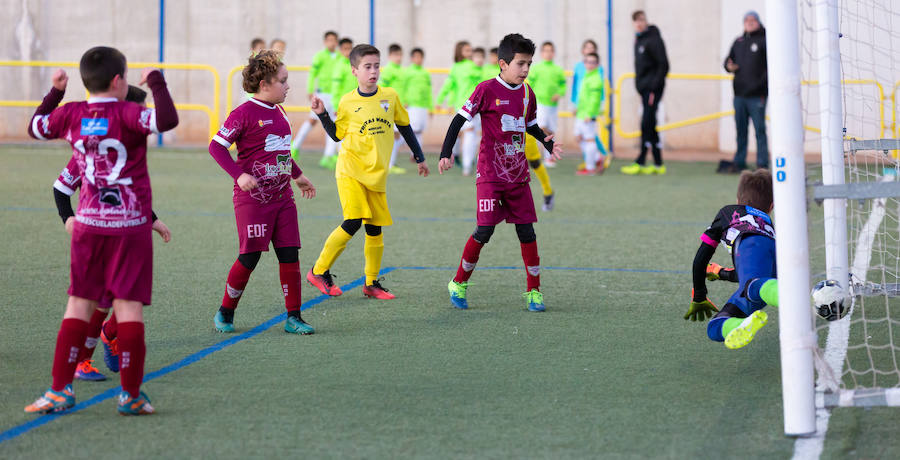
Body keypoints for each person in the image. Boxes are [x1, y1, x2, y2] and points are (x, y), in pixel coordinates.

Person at [25, 46, 178, 415]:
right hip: (129, 227)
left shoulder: (72, 114)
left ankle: (59, 389)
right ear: (118, 80)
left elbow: (34, 127)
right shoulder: (130, 113)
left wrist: (56, 93)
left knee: (78, 303)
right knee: (128, 308)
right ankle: (131, 395)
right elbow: (168, 120)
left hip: (89, 226)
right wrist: (156, 80)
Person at [51, 85, 172, 380]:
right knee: (99, 301)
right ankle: (82, 361)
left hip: (126, 233)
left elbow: (129, 191)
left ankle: (102, 344)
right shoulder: (91, 150)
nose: (143, 116)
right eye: (140, 111)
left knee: (119, 298)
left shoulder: (129, 148)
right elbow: (61, 188)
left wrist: (153, 221)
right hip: (98, 235)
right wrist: (68, 219)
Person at [440, 33, 562, 312]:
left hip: (518, 175)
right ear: (503, 63)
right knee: (484, 231)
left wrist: (548, 142)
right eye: (520, 64)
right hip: (491, 174)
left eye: (529, 64)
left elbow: (530, 126)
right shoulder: (485, 89)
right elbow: (459, 119)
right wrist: (446, 153)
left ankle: (534, 291)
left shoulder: (528, 93)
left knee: (527, 232)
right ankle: (458, 283)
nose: (526, 70)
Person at [307, 44, 430, 300]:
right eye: (367, 67)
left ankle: (371, 283)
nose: (373, 71)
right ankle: (318, 271)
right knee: (353, 221)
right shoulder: (348, 101)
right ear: (355, 71)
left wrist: (419, 157)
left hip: (377, 174)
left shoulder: (390, 96)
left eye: (376, 65)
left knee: (375, 228)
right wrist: (322, 114)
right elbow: (337, 135)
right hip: (350, 170)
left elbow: (404, 126)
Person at [208, 50, 317, 335]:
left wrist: (298, 175)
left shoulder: (279, 111)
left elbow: (279, 151)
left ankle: (294, 317)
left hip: (283, 198)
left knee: (290, 254)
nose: (288, 86)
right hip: (253, 200)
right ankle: (225, 311)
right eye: (283, 81)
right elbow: (216, 147)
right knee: (250, 257)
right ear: (265, 84)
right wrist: (239, 174)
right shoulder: (242, 113)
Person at [685, 169, 779, 350]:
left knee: (754, 285)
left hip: (753, 260)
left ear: (738, 199)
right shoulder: (767, 223)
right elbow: (751, 270)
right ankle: (739, 325)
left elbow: (701, 258)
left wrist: (699, 295)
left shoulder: (727, 212)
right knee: (715, 326)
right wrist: (721, 273)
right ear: (771, 206)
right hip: (772, 264)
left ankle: (796, 299)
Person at [621, 10, 669, 176]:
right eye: (636, 21)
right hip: (644, 90)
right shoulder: (639, 40)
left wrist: (653, 88)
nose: (639, 23)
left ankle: (641, 160)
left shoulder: (654, 40)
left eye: (641, 20)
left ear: (646, 21)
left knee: (646, 124)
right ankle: (658, 163)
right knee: (650, 124)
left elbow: (663, 65)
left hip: (652, 90)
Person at [723, 11, 768, 172]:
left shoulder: (765, 40)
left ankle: (762, 163)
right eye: (747, 20)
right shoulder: (738, 41)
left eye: (753, 20)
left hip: (757, 96)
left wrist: (759, 86)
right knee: (741, 130)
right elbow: (728, 61)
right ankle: (739, 161)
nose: (749, 22)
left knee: (759, 130)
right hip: (739, 95)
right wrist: (729, 66)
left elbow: (770, 69)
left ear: (758, 22)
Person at [291, 31, 340, 166]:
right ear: (325, 42)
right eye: (329, 40)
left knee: (333, 124)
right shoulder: (320, 56)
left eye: (334, 40)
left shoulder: (341, 57)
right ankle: (295, 146)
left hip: (335, 96)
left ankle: (328, 156)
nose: (332, 42)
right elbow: (312, 74)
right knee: (312, 120)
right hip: (322, 93)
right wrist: (310, 90)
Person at [436, 41, 475, 168]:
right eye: (467, 50)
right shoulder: (456, 68)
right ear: (460, 52)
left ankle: (465, 158)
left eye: (471, 50)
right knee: (465, 131)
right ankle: (465, 163)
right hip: (463, 105)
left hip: (476, 105)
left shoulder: (475, 66)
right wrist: (441, 101)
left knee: (469, 132)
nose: (470, 53)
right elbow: (450, 86)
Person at [529, 41, 566, 166]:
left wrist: (559, 93)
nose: (548, 53)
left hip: (552, 105)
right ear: (541, 53)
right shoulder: (536, 68)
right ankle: (536, 155)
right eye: (545, 51)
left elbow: (563, 85)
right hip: (539, 103)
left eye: (550, 51)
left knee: (551, 129)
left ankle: (549, 156)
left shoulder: (558, 70)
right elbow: (529, 84)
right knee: (541, 128)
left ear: (554, 53)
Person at [398, 47, 432, 168]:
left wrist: (430, 107)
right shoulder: (407, 72)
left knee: (419, 131)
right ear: (412, 58)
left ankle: (415, 154)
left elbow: (428, 91)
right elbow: (402, 87)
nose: (418, 59)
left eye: (420, 57)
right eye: (416, 57)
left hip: (423, 106)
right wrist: (403, 101)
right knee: (412, 130)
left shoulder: (425, 73)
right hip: (412, 105)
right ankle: (397, 147)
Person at [574, 52, 606, 176]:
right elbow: (583, 97)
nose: (589, 64)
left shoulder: (596, 79)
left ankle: (590, 167)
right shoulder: (587, 76)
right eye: (587, 61)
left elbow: (594, 100)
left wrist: (590, 114)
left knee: (589, 140)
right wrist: (577, 108)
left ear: (597, 64)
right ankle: (597, 158)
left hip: (587, 115)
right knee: (578, 136)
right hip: (581, 114)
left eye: (593, 62)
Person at [380, 43, 407, 175]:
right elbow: (382, 88)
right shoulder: (388, 70)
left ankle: (389, 162)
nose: (398, 57)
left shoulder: (402, 70)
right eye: (396, 55)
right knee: (395, 136)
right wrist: (385, 104)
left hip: (399, 106)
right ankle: (389, 164)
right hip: (389, 107)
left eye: (400, 55)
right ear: (390, 56)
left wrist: (405, 101)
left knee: (397, 136)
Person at [570, 39, 598, 110]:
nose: (590, 50)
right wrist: (573, 103)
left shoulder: (599, 69)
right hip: (579, 102)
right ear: (583, 50)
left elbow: (599, 89)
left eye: (592, 48)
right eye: (587, 48)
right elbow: (575, 85)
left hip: (592, 103)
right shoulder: (578, 66)